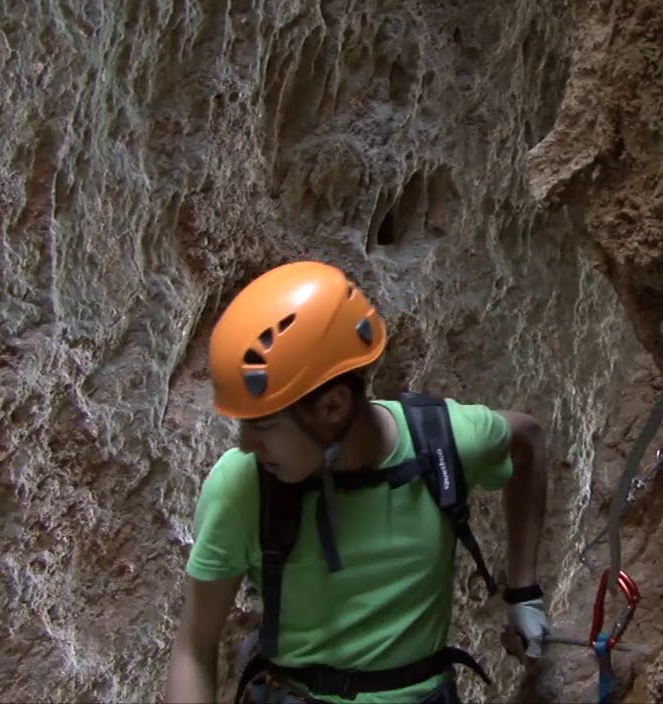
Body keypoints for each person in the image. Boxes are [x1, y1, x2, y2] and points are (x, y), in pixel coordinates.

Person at [162, 261, 551, 704]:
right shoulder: (242, 487)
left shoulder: (439, 445)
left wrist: (524, 592)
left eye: (264, 426)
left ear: (332, 407)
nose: (246, 445)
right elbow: (195, 646)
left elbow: (527, 440)